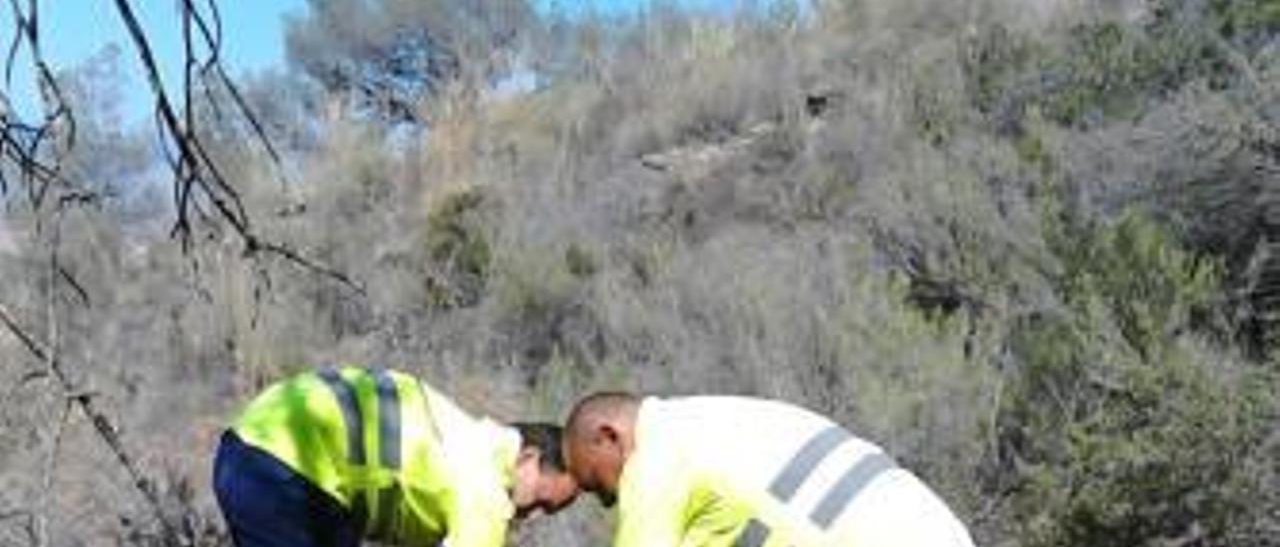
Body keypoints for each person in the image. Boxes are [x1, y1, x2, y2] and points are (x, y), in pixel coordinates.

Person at [213, 365, 579, 547]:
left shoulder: (461, 432)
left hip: (248, 444)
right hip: (284, 469)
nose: (532, 515)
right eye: (542, 503)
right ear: (527, 458)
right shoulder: (487, 492)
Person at [562, 392, 975, 547]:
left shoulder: (655, 458)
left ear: (608, 436)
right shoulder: (718, 417)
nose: (608, 502)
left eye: (599, 485)